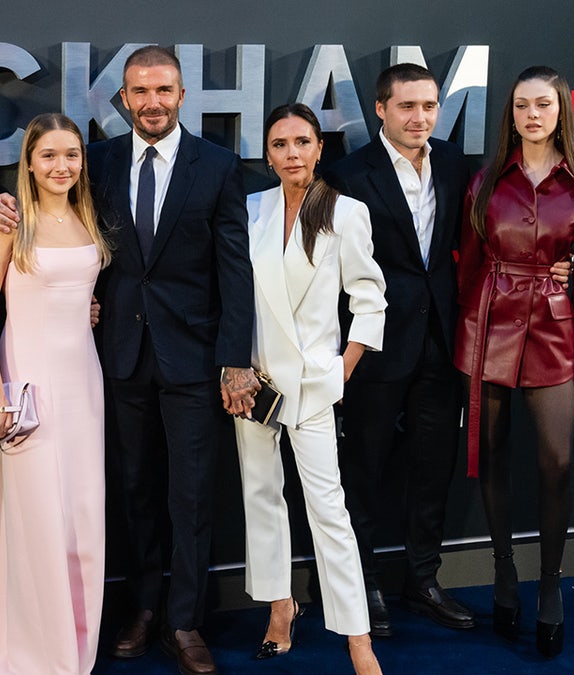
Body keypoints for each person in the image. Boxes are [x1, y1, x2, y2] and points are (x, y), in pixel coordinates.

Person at [0, 45, 258, 675]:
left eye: (164, 90)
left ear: (181, 95)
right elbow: (49, 217)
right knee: (131, 491)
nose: (153, 102)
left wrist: (233, 359)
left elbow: (233, 268)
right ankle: (142, 607)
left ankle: (185, 621)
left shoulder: (215, 165)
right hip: (116, 358)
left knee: (189, 496)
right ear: (124, 98)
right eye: (140, 92)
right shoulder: (95, 162)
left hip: (192, 359)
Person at [320, 64, 569, 636]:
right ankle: (362, 585)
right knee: (364, 470)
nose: (420, 118)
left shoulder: (460, 167)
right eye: (407, 106)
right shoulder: (346, 175)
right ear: (380, 109)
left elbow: (514, 228)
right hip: (374, 345)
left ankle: (422, 579)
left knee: (433, 467)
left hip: (446, 342)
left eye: (429, 106)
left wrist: (565, 261)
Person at [455, 65, 574, 659]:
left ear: (562, 112)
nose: (531, 114)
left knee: (557, 464)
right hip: (490, 329)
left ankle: (550, 588)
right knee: (494, 457)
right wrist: (467, 337)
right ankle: (503, 572)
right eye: (521, 105)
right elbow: (467, 270)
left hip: (553, 335)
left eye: (542, 105)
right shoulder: (484, 184)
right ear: (511, 114)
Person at [237, 103, 384, 675]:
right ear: (267, 152)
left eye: (302, 142)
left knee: (329, 510)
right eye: (280, 144)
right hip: (253, 381)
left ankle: (357, 638)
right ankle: (280, 608)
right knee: (260, 498)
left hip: (313, 384)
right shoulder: (250, 209)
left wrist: (339, 373)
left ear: (320, 147)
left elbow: (370, 301)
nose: (291, 154)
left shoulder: (346, 213)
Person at [0, 113, 112, 675]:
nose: (61, 166)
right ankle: (31, 654)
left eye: (71, 155)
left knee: (81, 512)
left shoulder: (87, 216)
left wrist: (86, 309)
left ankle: (73, 646)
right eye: (48, 155)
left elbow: (79, 295)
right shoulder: (8, 222)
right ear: (29, 161)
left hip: (83, 380)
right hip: (27, 382)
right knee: (34, 517)